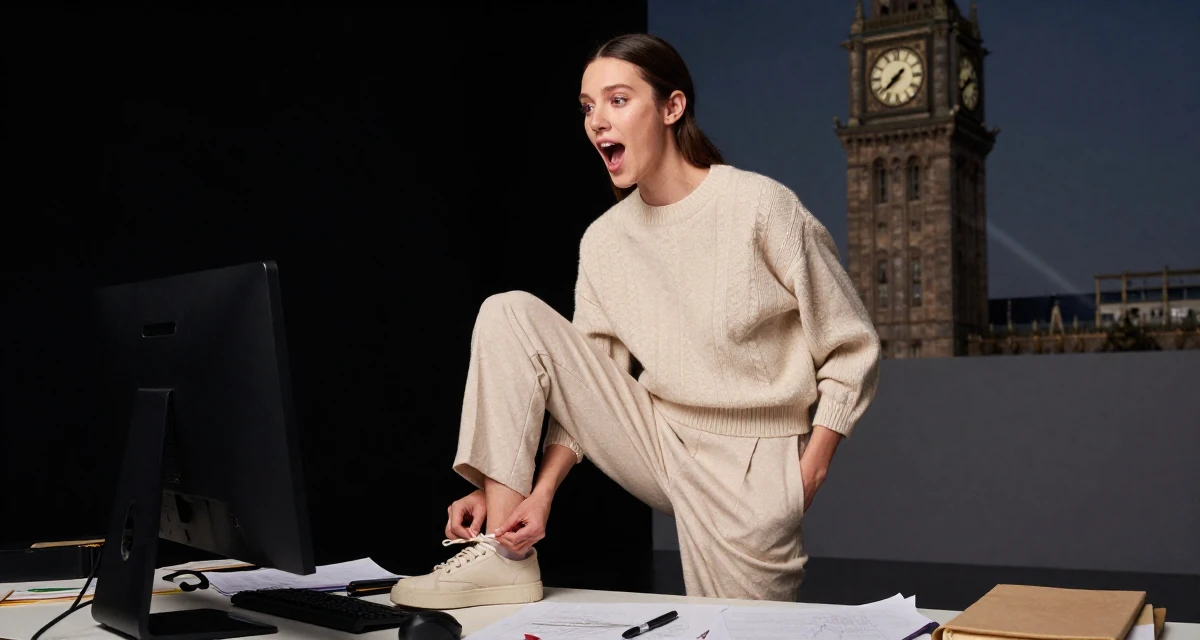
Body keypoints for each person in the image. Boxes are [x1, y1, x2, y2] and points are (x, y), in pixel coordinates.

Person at [390, 33, 881, 610]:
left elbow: (852, 349)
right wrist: (538, 495)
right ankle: (504, 552)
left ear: (672, 108)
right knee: (509, 314)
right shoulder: (604, 240)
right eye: (587, 106)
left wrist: (807, 474)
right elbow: (587, 383)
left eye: (618, 100)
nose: (598, 121)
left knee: (746, 631)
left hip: (752, 466)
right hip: (659, 437)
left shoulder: (760, 208)